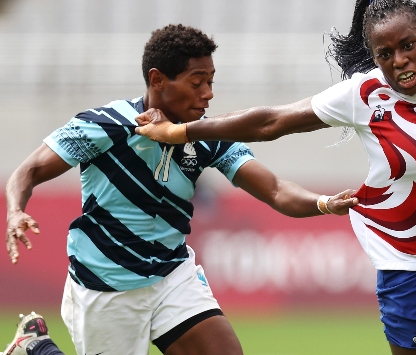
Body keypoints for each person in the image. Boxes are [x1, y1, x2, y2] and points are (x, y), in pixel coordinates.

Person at [134, 0, 416, 355]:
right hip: (411, 275)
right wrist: (182, 131)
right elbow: (271, 122)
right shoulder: (361, 94)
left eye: (409, 45)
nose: (399, 60)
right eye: (385, 54)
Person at [3, 24, 358, 355]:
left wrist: (325, 203)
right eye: (197, 81)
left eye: (211, 81)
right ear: (157, 80)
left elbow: (277, 190)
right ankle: (35, 348)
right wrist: (16, 209)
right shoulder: (105, 126)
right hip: (106, 284)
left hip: (171, 275)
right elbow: (29, 170)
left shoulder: (206, 135)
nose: (208, 93)